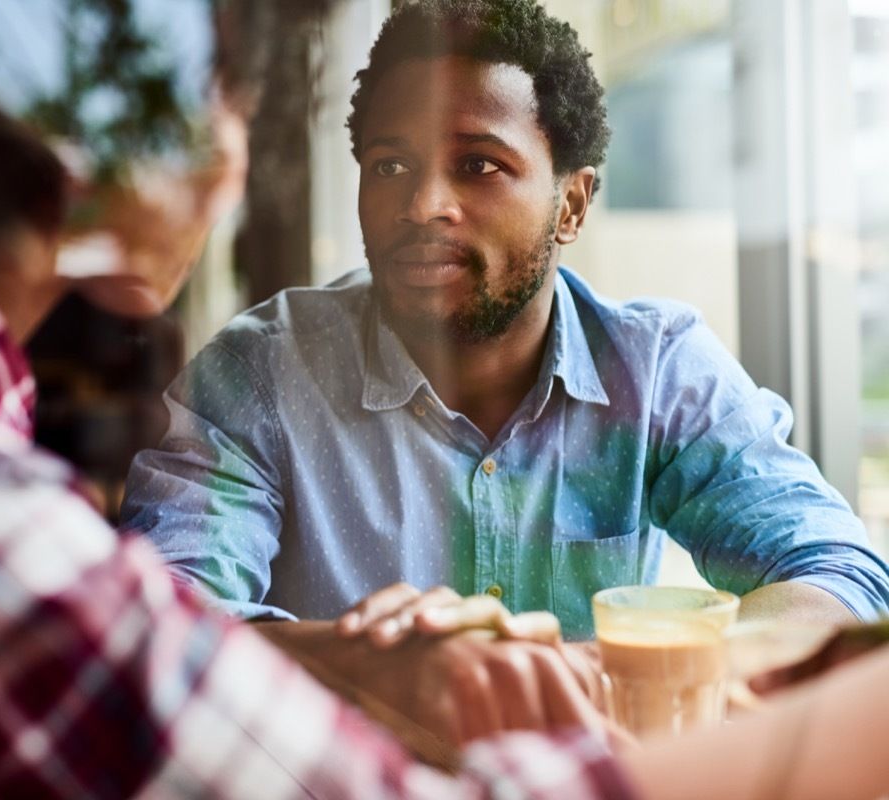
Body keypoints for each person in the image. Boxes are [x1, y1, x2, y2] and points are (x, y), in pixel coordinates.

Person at [119, 0, 889, 736]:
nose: (423, 203)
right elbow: (160, 626)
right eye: (389, 166)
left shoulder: (653, 371)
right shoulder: (258, 374)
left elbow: (839, 572)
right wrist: (378, 670)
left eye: (479, 165)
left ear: (573, 205)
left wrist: (620, 670)